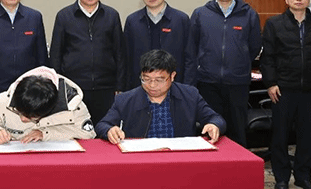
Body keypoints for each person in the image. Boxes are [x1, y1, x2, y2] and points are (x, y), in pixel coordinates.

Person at [261, 0, 311, 189]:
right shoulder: (274, 24)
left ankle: (303, 177)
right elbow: (268, 58)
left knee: (307, 135)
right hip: (283, 89)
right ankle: (281, 177)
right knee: (280, 135)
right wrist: (271, 83)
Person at [185, 0, 261, 147]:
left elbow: (254, 47)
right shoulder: (200, 14)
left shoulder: (249, 14)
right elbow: (191, 49)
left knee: (237, 131)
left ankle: (238, 164)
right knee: (210, 131)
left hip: (237, 83)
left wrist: (239, 64)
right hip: (207, 83)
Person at [96, 49, 224, 144]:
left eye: (159, 80)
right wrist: (109, 130)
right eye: (146, 79)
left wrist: (214, 125)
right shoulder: (125, 99)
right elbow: (103, 124)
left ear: (172, 76)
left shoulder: (190, 95)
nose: (152, 85)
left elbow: (216, 118)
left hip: (179, 156)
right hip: (140, 157)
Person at [50, 0, 125, 124]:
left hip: (106, 87)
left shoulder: (111, 15)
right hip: (74, 88)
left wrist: (120, 85)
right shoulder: (64, 16)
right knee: (75, 130)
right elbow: (56, 54)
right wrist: (57, 85)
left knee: (105, 129)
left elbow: (120, 53)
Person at [0, 66, 96, 143]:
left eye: (32, 117)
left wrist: (45, 133)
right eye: (19, 112)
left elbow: (88, 134)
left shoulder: (74, 106)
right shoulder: (1, 100)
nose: (23, 119)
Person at [123, 0, 190, 88]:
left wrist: (187, 87)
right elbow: (126, 58)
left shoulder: (181, 19)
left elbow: (190, 57)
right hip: (141, 86)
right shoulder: (132, 21)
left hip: (175, 85)